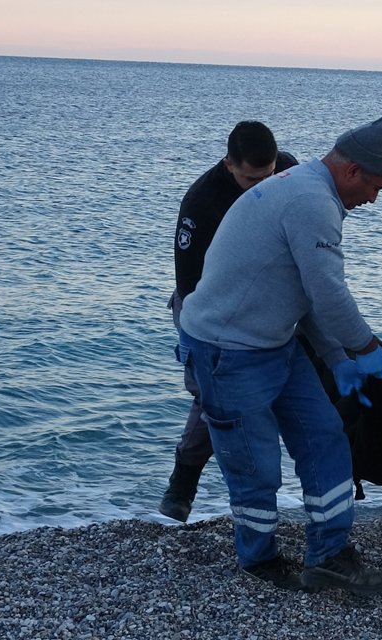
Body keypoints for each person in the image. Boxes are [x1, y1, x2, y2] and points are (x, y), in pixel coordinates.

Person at [178, 113, 382, 595]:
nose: (373, 199)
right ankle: (259, 560)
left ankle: (329, 554)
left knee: (325, 437)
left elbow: (305, 294)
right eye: (375, 187)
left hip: (276, 341)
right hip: (226, 350)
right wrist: (365, 347)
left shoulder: (307, 186)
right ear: (352, 170)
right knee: (255, 466)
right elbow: (328, 294)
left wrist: (337, 358)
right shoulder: (310, 201)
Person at [160, 121, 299, 524]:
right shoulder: (202, 202)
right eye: (251, 179)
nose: (262, 186)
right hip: (205, 304)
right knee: (211, 394)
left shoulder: (287, 171)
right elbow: (189, 286)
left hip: (266, 298)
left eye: (268, 175)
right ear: (229, 165)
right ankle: (183, 481)